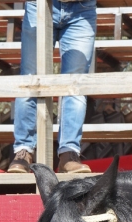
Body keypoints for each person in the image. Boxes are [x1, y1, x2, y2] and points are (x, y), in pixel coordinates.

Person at [8, 0, 95, 174]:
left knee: (76, 83)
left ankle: (69, 153)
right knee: (30, 79)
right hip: (39, 5)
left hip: (82, 8)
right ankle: (23, 152)